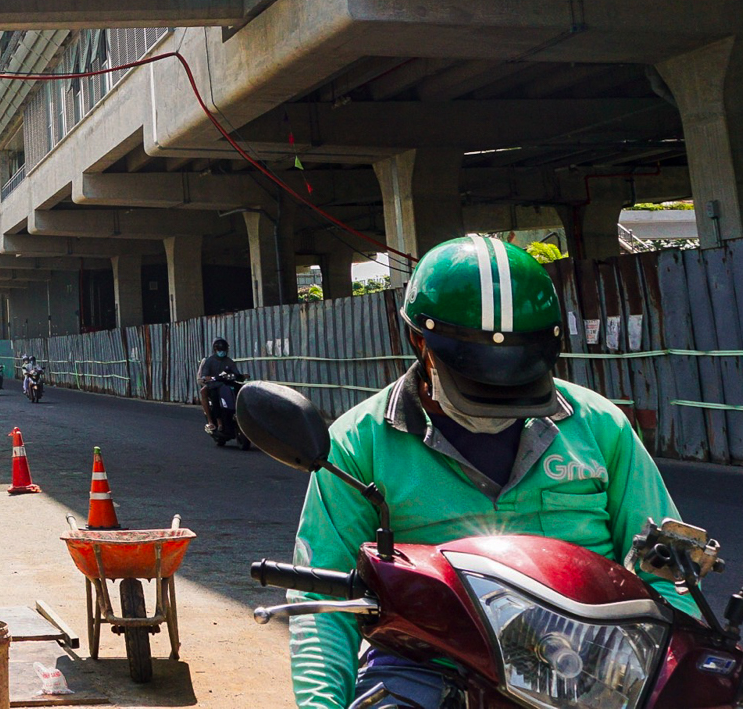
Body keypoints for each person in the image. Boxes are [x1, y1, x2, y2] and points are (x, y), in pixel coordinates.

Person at [285, 235, 697, 709]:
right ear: (421, 342)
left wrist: (674, 678)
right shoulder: (359, 442)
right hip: (429, 667)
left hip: (597, 672)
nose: (498, 394)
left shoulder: (601, 427)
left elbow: (671, 573)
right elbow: (322, 599)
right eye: (479, 378)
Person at [197, 337, 243, 430]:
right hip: (214, 385)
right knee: (214, 396)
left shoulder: (229, 361)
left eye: (224, 350)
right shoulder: (208, 361)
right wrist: (207, 378)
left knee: (240, 390)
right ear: (215, 350)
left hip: (226, 384)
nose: (222, 352)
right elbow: (203, 376)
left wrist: (240, 376)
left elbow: (235, 372)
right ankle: (216, 422)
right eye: (220, 350)